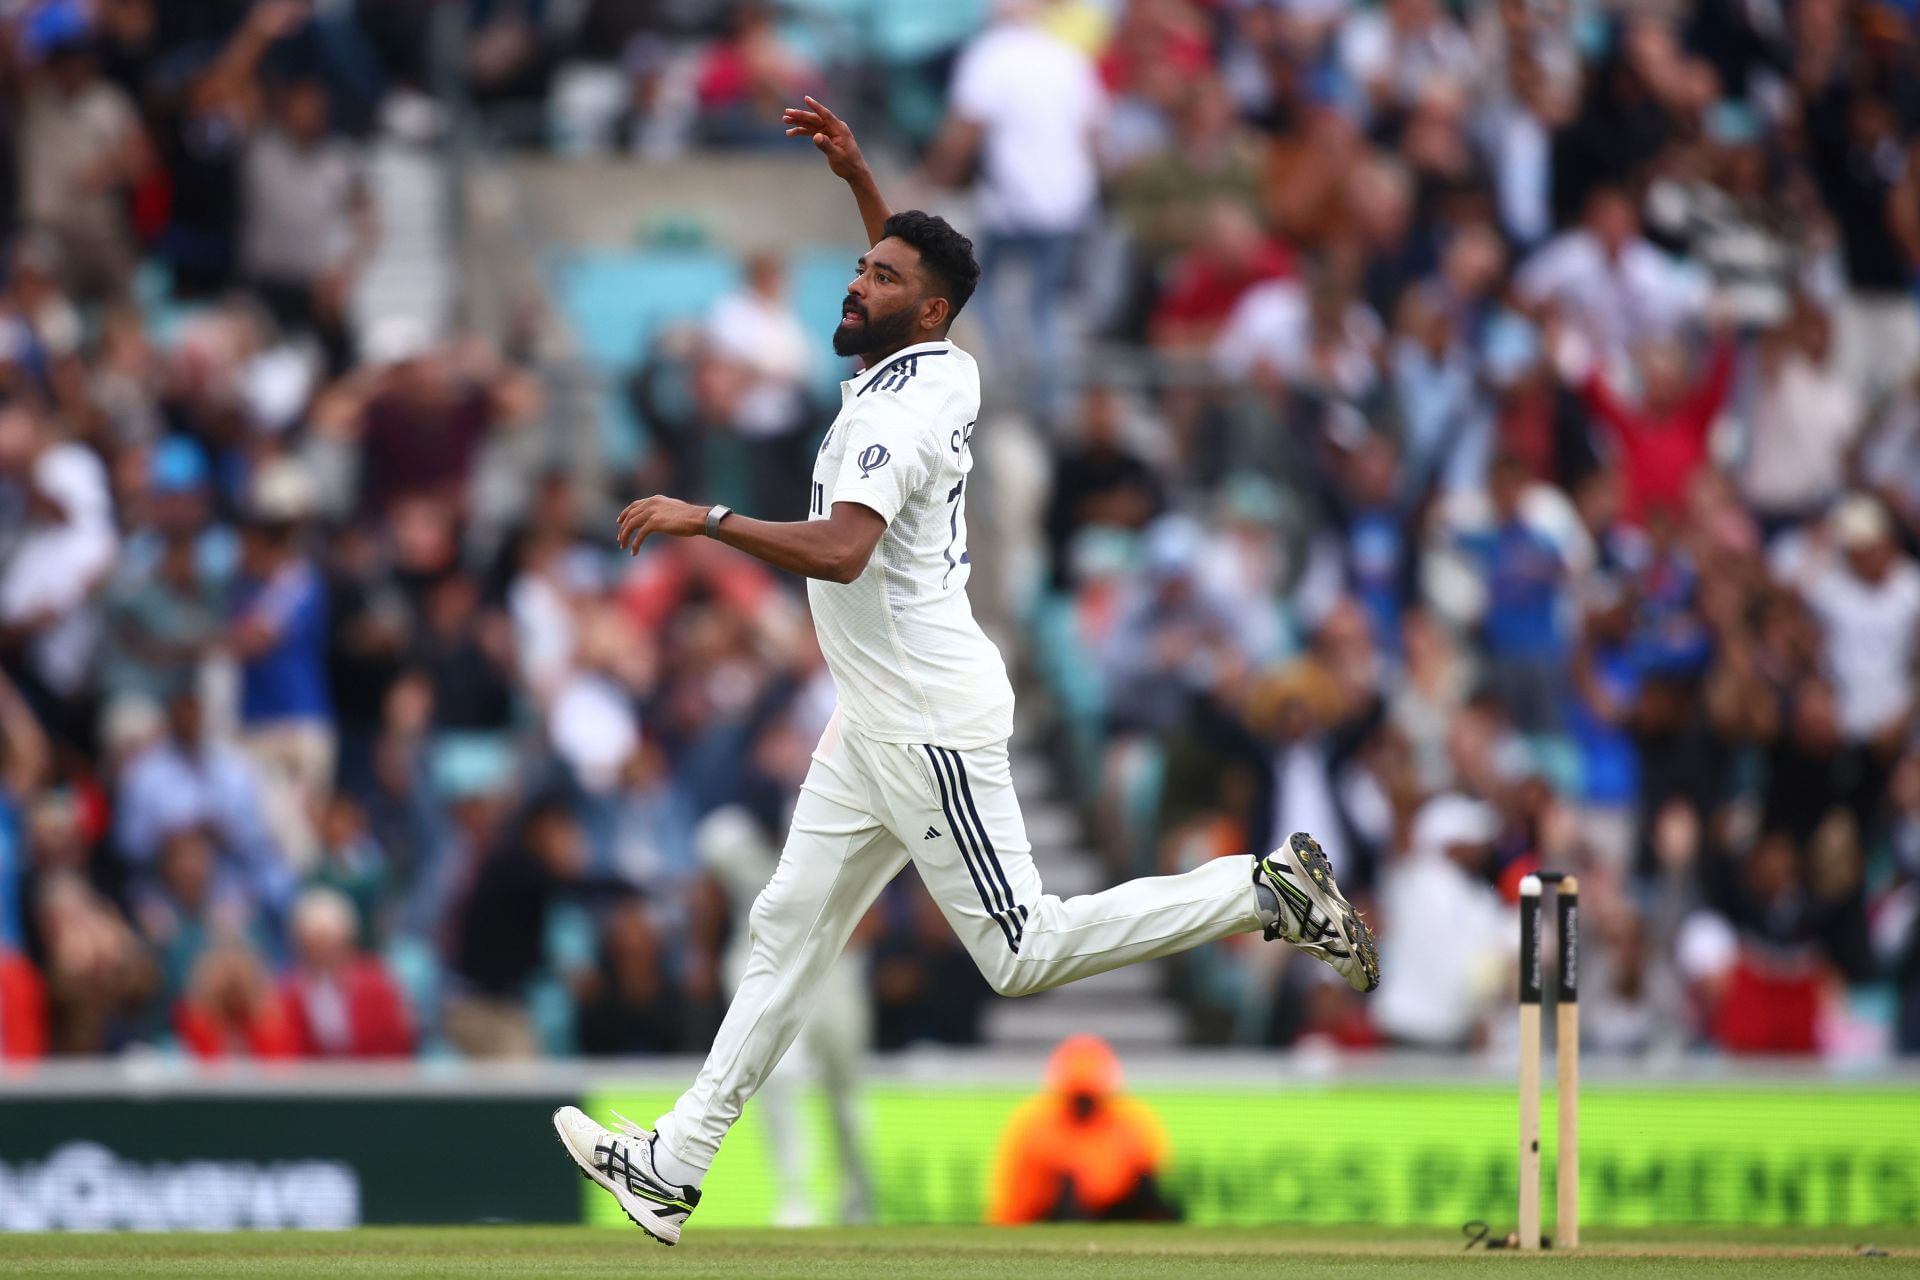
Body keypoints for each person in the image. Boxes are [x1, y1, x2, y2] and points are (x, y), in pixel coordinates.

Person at [550, 98, 1379, 1247]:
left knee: (1021, 950)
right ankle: (676, 1164)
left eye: (876, 276)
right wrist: (859, 180)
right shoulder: (934, 360)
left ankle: (1262, 890)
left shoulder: (910, 403)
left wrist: (711, 517)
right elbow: (918, 282)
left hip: (926, 721)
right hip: (874, 717)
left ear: (924, 311)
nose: (855, 281)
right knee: (787, 929)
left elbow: (840, 550)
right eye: (858, 264)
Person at [987, 1034, 1181, 1224]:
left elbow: (1148, 1188)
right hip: (1043, 1218)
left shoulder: (1132, 1123)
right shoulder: (1035, 1127)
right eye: (1078, 1098)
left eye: (1090, 1098)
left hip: (1108, 1215)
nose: (1085, 1107)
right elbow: (1018, 1202)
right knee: (1065, 1193)